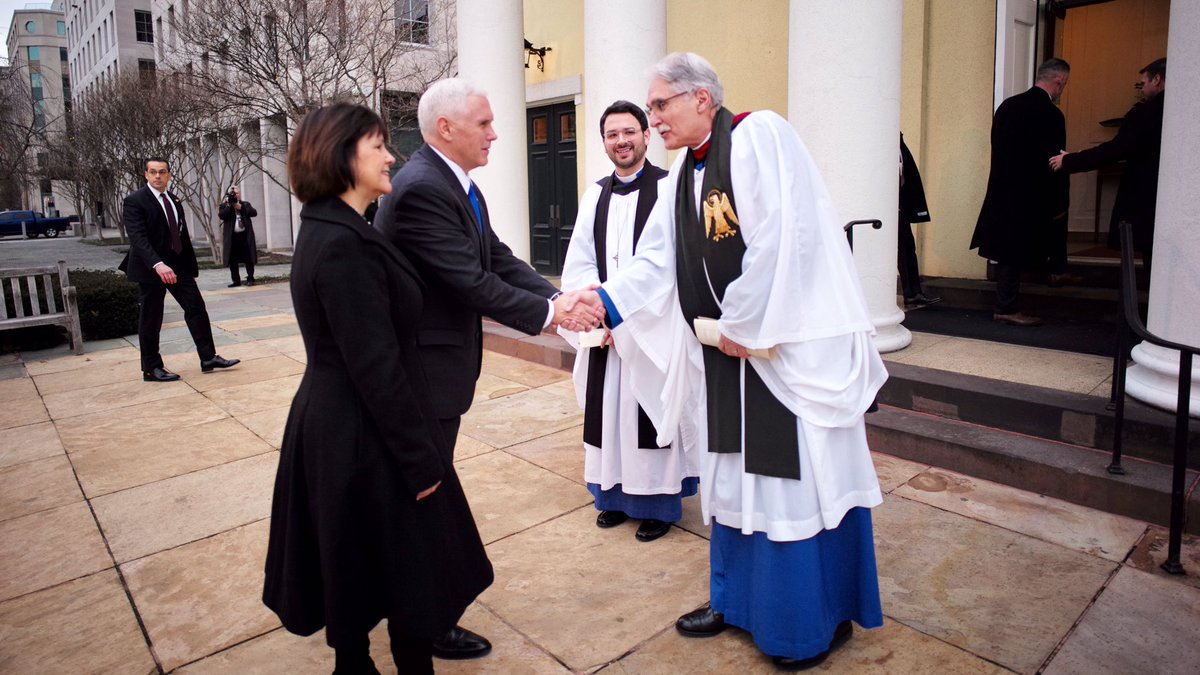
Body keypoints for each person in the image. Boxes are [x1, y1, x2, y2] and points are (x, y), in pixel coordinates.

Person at [573, 52, 887, 670]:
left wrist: (742, 322)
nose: (653, 119)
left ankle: (803, 624)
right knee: (733, 480)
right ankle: (736, 602)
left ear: (702, 99)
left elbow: (784, 236)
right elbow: (656, 261)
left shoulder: (758, 136)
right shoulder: (681, 179)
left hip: (778, 355)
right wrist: (603, 301)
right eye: (650, 107)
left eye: (660, 105)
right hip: (727, 358)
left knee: (788, 485)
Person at [372, 77, 601, 661]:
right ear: (446, 128)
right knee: (424, 498)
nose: (496, 133)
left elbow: (496, 257)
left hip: (438, 371)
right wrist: (552, 315)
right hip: (422, 375)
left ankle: (414, 605)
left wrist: (558, 295)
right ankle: (425, 621)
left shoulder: (455, 182)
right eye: (485, 123)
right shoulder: (423, 189)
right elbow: (468, 281)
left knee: (427, 495)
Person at [262, 103, 493, 675]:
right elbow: (376, 368)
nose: (391, 157)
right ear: (343, 157)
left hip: (346, 422)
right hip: (362, 432)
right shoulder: (344, 244)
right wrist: (422, 463)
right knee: (408, 572)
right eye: (378, 146)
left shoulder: (335, 226)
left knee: (364, 565)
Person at [558, 100, 699, 543]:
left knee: (651, 413)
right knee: (609, 417)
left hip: (651, 327)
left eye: (629, 132)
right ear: (603, 142)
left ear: (646, 135)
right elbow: (579, 259)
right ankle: (614, 497)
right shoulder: (595, 194)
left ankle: (657, 503)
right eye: (612, 134)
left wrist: (625, 317)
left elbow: (670, 266)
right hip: (605, 331)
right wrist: (595, 316)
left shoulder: (670, 188)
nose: (621, 141)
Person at [970, 58, 1072, 327]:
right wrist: (1059, 199)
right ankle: (1007, 307)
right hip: (1031, 194)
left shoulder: (1007, 107)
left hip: (1003, 189)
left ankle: (1009, 302)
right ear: (1059, 81)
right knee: (1016, 252)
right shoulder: (1052, 115)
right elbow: (1054, 162)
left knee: (1008, 251)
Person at [119, 157, 239, 382]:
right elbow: (138, 238)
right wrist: (157, 264)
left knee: (196, 308)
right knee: (151, 318)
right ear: (146, 174)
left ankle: (208, 357)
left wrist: (187, 265)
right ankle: (151, 368)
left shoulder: (173, 199)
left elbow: (179, 234)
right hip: (150, 268)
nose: (157, 176)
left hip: (178, 266)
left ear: (169, 175)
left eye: (162, 172)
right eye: (153, 172)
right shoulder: (135, 201)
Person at [1051, 57, 1165, 272]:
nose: (1142, 89)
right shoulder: (1183, 111)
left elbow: (1115, 150)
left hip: (1146, 195)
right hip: (1171, 200)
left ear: (1157, 80)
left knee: (1150, 258)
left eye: (1144, 83)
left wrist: (1070, 160)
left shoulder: (1145, 114)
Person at [898, 133, 940, 309]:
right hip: (889, 207)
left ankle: (914, 293)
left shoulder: (897, 142)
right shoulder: (885, 143)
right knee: (903, 248)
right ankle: (911, 293)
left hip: (898, 205)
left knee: (907, 247)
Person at [218, 186, 258, 287]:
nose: (234, 196)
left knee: (248, 258)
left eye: (236, 193)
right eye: (232, 194)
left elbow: (254, 213)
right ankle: (236, 281)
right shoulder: (224, 205)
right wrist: (228, 205)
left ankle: (250, 278)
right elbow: (221, 215)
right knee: (233, 260)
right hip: (232, 237)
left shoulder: (245, 204)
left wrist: (241, 208)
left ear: (239, 194)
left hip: (245, 236)